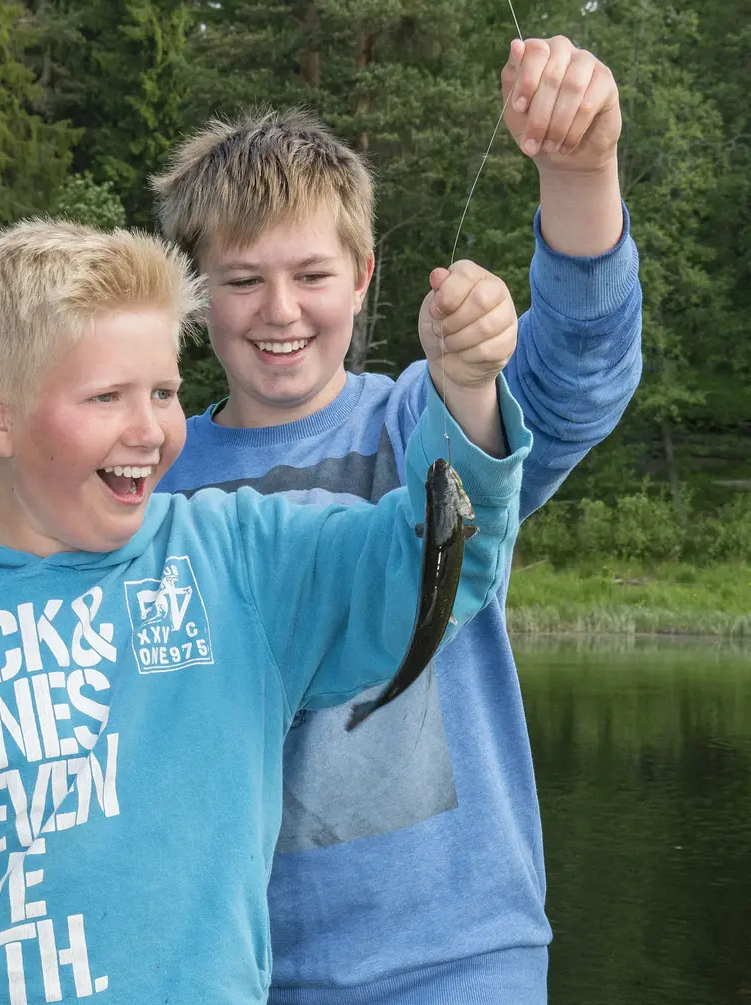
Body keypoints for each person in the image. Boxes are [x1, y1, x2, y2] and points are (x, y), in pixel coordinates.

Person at [0, 220, 532, 1005]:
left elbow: (428, 566)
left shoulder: (239, 561)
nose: (151, 429)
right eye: (106, 397)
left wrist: (465, 389)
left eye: (163, 392)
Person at [150, 37, 641, 1005]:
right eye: (242, 280)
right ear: (195, 293)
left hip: (459, 962)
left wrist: (579, 171)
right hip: (222, 973)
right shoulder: (147, 480)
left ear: (367, 275)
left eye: (312, 276)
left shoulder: (431, 415)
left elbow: (582, 369)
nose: (279, 310)